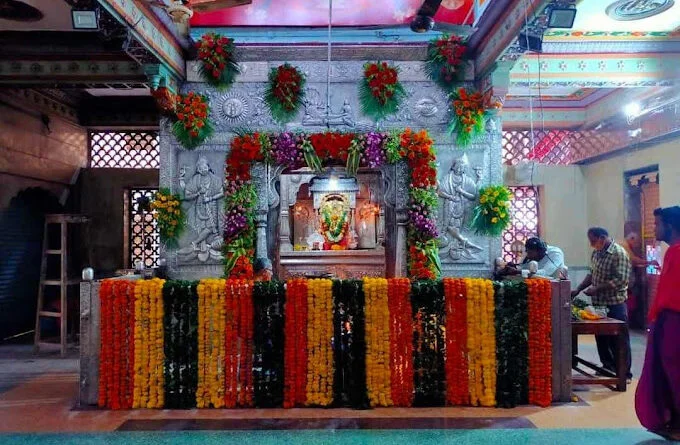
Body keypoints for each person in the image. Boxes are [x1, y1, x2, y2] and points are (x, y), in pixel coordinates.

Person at [636, 206, 680, 441]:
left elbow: (671, 295)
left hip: (673, 320)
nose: (654, 228)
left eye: (657, 224)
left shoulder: (676, 253)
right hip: (669, 319)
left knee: (673, 371)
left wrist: (657, 318)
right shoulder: (672, 251)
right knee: (667, 371)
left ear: (670, 226)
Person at [572, 227, 632, 378]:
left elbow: (621, 280)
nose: (592, 244)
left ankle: (624, 373)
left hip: (615, 304)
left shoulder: (619, 253)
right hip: (599, 304)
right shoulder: (597, 253)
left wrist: (597, 288)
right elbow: (592, 275)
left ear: (602, 238)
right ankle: (608, 366)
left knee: (618, 340)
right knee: (602, 338)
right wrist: (578, 289)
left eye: (593, 241)